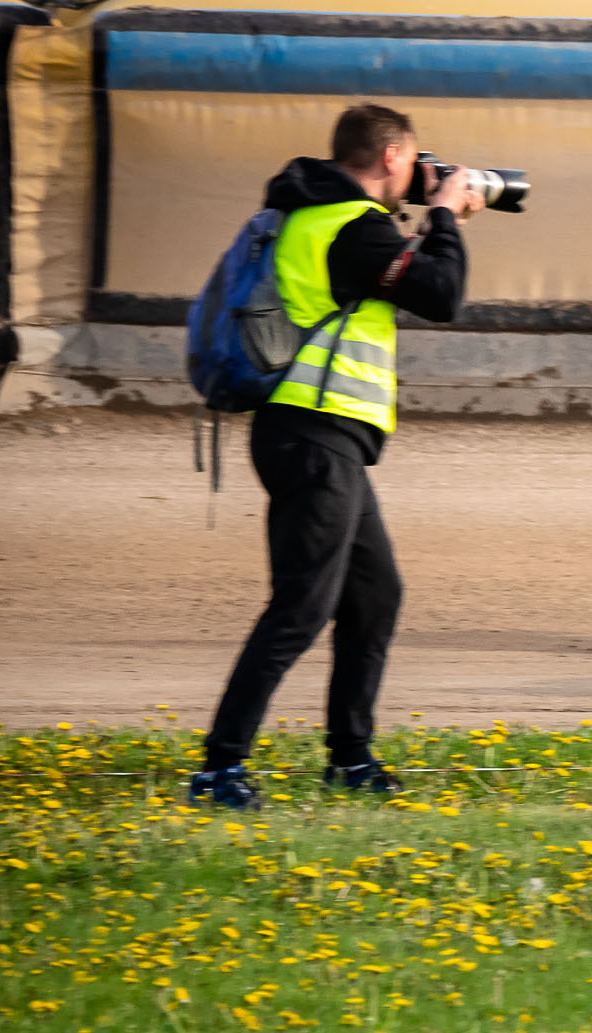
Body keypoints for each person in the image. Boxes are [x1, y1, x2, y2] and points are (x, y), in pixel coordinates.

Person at [188, 102, 482, 810]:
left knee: (374, 595)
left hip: (325, 436)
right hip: (313, 433)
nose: (417, 174)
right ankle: (219, 768)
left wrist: (427, 218)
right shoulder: (351, 227)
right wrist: (443, 215)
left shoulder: (319, 216)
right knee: (302, 604)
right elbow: (440, 293)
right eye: (413, 162)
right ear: (391, 158)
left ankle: (350, 757)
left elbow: (394, 276)